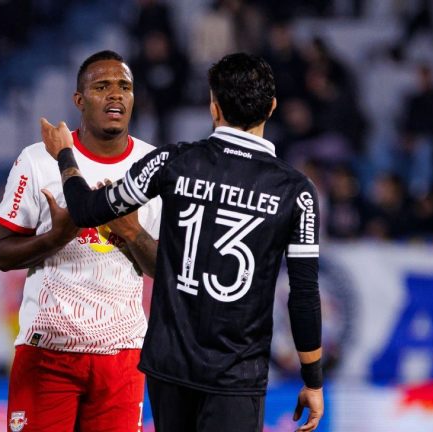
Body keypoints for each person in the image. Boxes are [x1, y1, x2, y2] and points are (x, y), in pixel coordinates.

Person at [40, 52, 324, 432]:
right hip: (236, 376)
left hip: (169, 369)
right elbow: (303, 295)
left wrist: (65, 155)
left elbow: (87, 209)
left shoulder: (172, 161)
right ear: (272, 107)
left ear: (214, 106)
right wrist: (312, 380)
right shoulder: (296, 192)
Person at [0, 50, 161, 432]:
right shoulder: (36, 161)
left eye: (125, 87)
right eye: (102, 87)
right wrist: (57, 237)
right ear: (79, 100)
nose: (116, 94)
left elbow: (166, 269)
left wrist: (131, 232)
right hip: (47, 350)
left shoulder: (153, 168)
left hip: (122, 356)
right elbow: (1, 253)